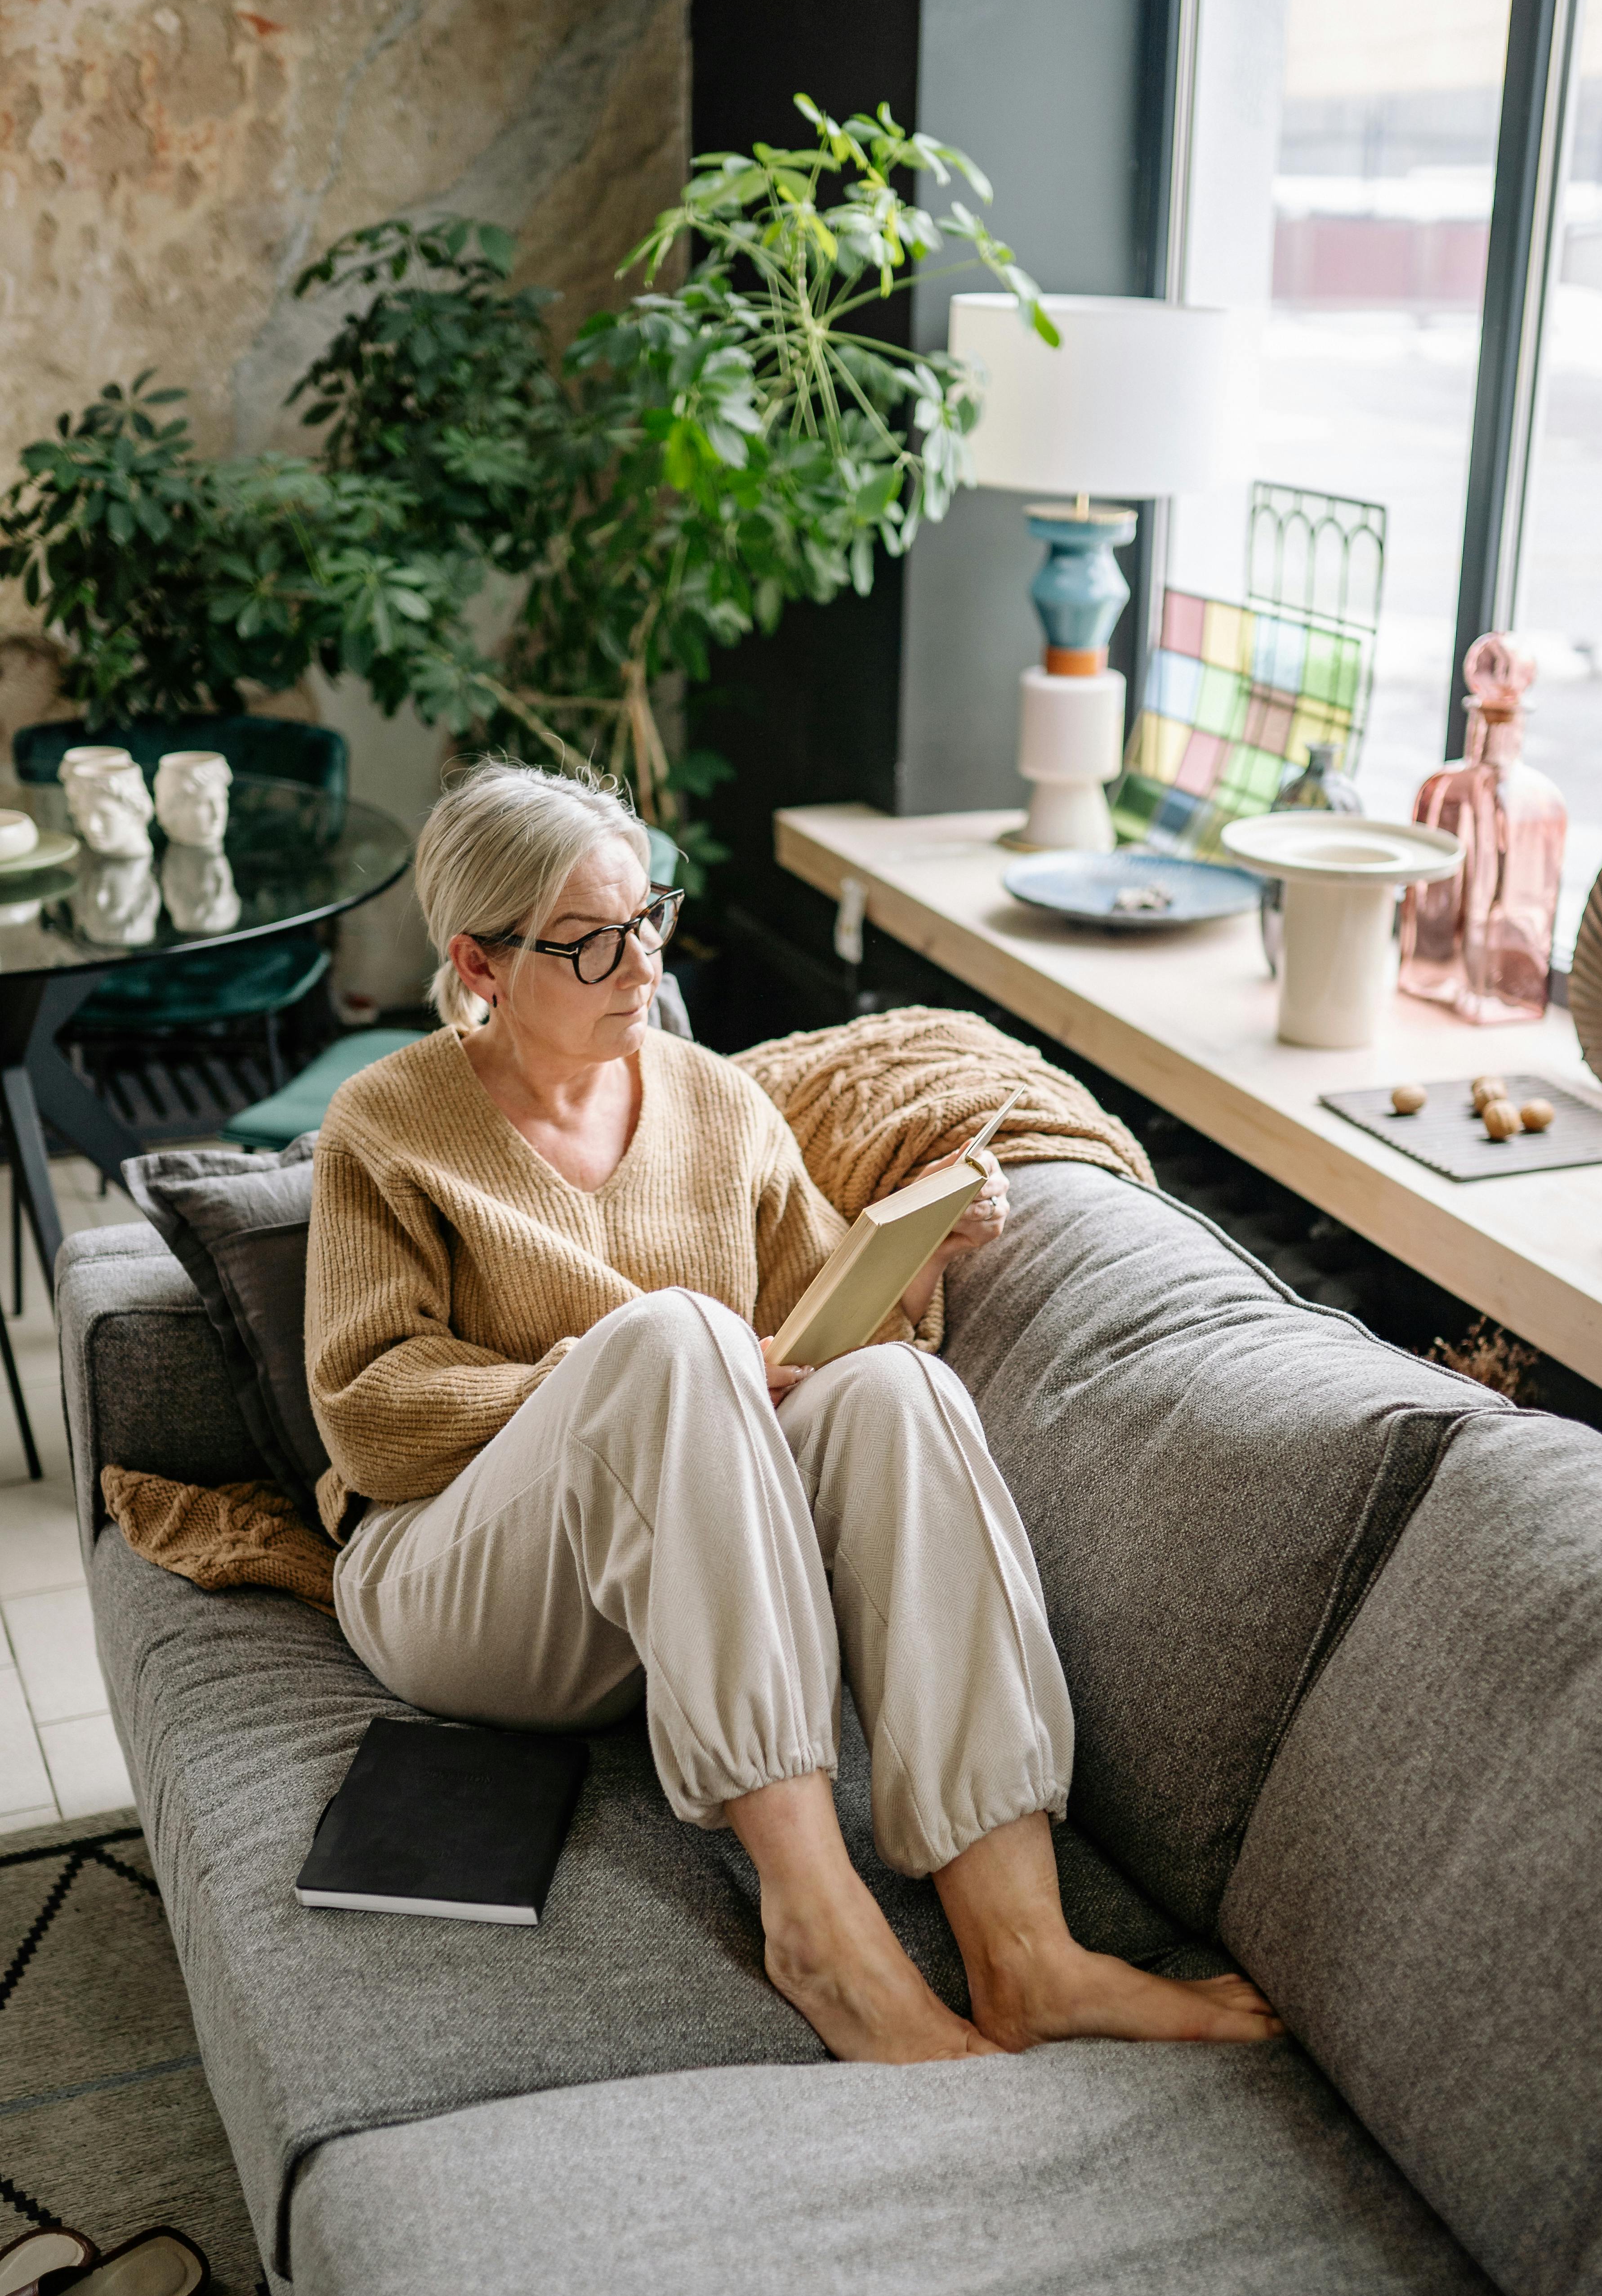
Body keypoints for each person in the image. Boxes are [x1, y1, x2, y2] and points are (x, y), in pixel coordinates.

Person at [306, 760, 1281, 2065]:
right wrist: (608, 1376)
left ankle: (1025, 1950)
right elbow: (371, 1415)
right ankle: (818, 1925)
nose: (642, 970)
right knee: (674, 1335)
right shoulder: (385, 1123)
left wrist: (917, 1257)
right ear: (480, 966)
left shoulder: (714, 1101)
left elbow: (813, 1347)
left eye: (645, 920)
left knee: (900, 1390)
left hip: (671, 1587)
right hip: (459, 1584)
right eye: (591, 948)